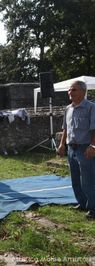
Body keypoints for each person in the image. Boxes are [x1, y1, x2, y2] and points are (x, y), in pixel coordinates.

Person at [57, 80, 95, 220]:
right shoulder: (68, 109)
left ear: (83, 92)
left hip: (85, 148)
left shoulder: (91, 107)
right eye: (69, 90)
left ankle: (93, 208)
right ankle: (82, 203)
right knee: (75, 179)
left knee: (88, 180)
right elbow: (66, 128)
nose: (70, 92)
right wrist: (62, 145)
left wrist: (93, 146)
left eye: (73, 90)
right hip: (71, 148)